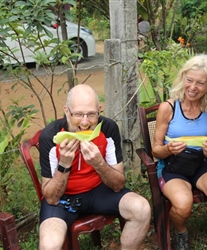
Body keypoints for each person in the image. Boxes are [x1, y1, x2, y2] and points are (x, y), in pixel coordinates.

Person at [38, 84, 151, 250]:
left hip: (99, 191)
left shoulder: (108, 128)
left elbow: (118, 184)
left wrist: (99, 163)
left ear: (99, 110)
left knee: (141, 209)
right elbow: (51, 198)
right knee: (49, 244)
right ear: (67, 111)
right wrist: (64, 164)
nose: (85, 122)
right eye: (78, 114)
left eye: (91, 114)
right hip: (63, 199)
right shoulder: (50, 136)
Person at [152, 54, 207, 250]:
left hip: (199, 164)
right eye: (189, 80)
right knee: (183, 203)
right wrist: (167, 149)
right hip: (172, 166)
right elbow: (156, 150)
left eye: (200, 83)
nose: (193, 87)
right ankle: (181, 231)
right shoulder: (168, 108)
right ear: (183, 78)